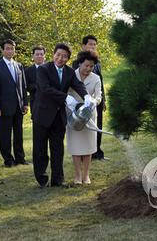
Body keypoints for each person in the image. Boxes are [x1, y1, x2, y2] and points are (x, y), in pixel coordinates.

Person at [32, 43, 88, 188]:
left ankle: (58, 180)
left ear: (68, 59)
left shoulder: (70, 72)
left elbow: (78, 85)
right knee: (40, 150)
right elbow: (45, 89)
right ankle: (42, 179)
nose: (60, 58)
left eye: (64, 56)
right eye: (58, 55)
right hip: (42, 115)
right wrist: (65, 97)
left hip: (59, 116)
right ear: (53, 54)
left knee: (58, 149)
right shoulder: (43, 69)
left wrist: (87, 97)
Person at [0, 39, 29, 167]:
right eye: (7, 48)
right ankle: (8, 159)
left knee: (19, 134)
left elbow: (23, 86)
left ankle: (20, 158)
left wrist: (25, 103)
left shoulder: (19, 66)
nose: (10, 51)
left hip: (18, 106)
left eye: (12, 48)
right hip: (3, 107)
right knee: (5, 135)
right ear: (2, 50)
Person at [66, 50, 102, 185]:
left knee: (88, 146)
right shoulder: (71, 75)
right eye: (86, 65)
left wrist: (94, 101)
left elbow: (99, 96)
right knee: (75, 146)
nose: (88, 69)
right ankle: (77, 175)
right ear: (80, 63)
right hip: (73, 114)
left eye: (91, 66)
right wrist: (69, 101)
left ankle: (86, 175)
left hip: (89, 115)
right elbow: (66, 92)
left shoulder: (96, 78)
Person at [72, 35, 107, 160]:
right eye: (90, 44)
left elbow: (100, 82)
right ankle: (84, 153)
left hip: (96, 100)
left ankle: (97, 152)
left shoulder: (97, 63)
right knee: (85, 126)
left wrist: (103, 100)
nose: (93, 46)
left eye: (94, 44)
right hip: (82, 102)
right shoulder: (77, 63)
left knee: (98, 126)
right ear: (83, 46)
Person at [24, 46, 46, 118]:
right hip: (35, 104)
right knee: (37, 127)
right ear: (33, 56)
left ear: (44, 56)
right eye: (37, 54)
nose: (39, 56)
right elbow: (26, 86)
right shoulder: (28, 71)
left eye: (41, 54)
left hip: (50, 104)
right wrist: (40, 86)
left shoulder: (51, 69)